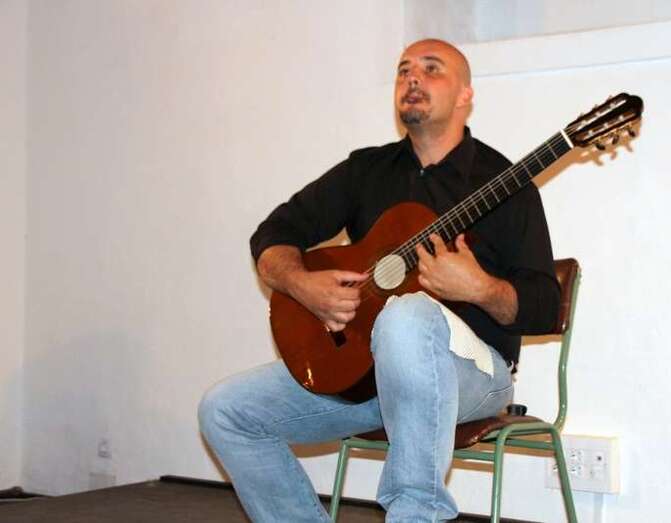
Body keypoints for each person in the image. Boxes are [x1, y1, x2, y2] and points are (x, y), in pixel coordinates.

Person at [199, 39, 560, 522]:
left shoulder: (507, 184)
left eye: (432, 69)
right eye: (404, 70)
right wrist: (303, 285)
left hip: (473, 377)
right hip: (369, 375)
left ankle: (415, 514)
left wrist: (479, 288)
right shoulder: (366, 171)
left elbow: (544, 305)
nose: (413, 78)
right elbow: (273, 234)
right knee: (226, 410)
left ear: (465, 95)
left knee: (406, 315)